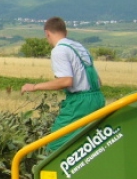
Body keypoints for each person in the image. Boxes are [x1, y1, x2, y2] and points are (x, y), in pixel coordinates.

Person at [21, 17, 105, 151]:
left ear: (47, 33)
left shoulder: (59, 50)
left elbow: (66, 81)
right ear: (66, 32)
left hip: (80, 103)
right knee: (89, 144)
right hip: (98, 98)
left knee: (55, 146)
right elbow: (99, 81)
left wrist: (34, 87)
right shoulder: (79, 47)